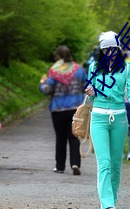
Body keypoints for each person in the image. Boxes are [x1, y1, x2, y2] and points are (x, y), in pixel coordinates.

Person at [85, 31, 130, 209]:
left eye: (114, 49)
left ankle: (112, 201)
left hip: (120, 119)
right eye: (106, 49)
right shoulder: (93, 67)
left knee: (116, 164)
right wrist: (90, 92)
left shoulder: (127, 68)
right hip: (98, 118)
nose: (111, 53)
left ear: (118, 49)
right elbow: (91, 97)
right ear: (102, 50)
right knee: (104, 163)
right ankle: (107, 204)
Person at [39, 45, 87, 175]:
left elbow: (47, 90)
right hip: (75, 109)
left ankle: (60, 167)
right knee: (74, 136)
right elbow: (86, 86)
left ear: (58, 57)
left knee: (60, 138)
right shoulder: (79, 70)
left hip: (58, 109)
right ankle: (75, 163)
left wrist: (42, 83)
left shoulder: (54, 71)